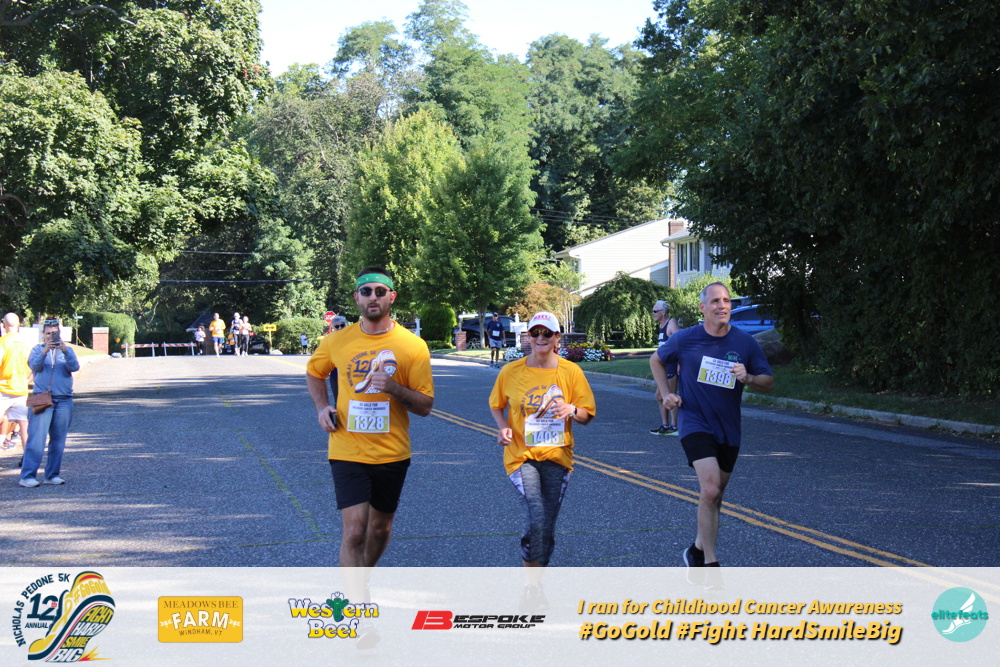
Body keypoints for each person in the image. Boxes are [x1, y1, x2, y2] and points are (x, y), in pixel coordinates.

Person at [306, 267, 434, 567]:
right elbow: (314, 372)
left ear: (392, 296)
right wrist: (322, 407)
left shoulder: (412, 345)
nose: (372, 297)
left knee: (379, 530)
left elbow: (425, 406)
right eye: (366, 291)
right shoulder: (337, 341)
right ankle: (354, 593)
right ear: (357, 298)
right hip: (347, 448)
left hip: (392, 451)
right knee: (354, 532)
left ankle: (362, 577)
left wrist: (393, 388)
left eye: (380, 291)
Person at [650, 282, 773, 571]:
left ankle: (696, 550)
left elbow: (768, 382)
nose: (722, 306)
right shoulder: (686, 338)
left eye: (727, 301)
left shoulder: (745, 342)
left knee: (716, 496)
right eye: (716, 301)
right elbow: (657, 360)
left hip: (728, 428)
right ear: (703, 308)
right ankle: (709, 564)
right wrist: (666, 393)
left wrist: (749, 377)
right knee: (710, 490)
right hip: (694, 421)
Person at [489, 311, 595, 569]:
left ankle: (538, 580)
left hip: (557, 457)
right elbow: (496, 404)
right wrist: (503, 428)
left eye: (547, 333)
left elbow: (587, 415)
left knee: (546, 524)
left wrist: (572, 409)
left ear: (557, 337)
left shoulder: (571, 372)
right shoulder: (511, 371)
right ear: (529, 336)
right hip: (521, 456)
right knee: (536, 513)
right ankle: (531, 583)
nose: (541, 337)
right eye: (535, 332)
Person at [20, 319, 80, 487]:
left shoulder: (67, 350)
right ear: (43, 334)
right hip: (42, 397)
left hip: (64, 399)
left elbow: (74, 367)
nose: (50, 336)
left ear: (59, 334)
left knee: (58, 440)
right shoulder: (37, 349)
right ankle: (27, 476)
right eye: (48, 333)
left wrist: (65, 351)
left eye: (54, 333)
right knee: (36, 439)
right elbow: (35, 367)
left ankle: (52, 475)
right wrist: (45, 351)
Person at [0, 313, 31, 452]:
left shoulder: (2, 342)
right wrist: (27, 380)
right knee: (23, 424)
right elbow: (35, 365)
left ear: (4, 325)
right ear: (19, 325)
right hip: (21, 388)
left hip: (3, 388)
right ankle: (28, 458)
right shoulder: (26, 343)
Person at [649, 300, 681, 436]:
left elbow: (681, 341)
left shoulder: (671, 323)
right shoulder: (662, 326)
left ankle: (675, 426)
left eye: (655, 311)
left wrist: (680, 363)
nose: (653, 314)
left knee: (670, 395)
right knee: (660, 396)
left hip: (672, 365)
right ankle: (665, 425)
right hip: (663, 366)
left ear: (663, 312)